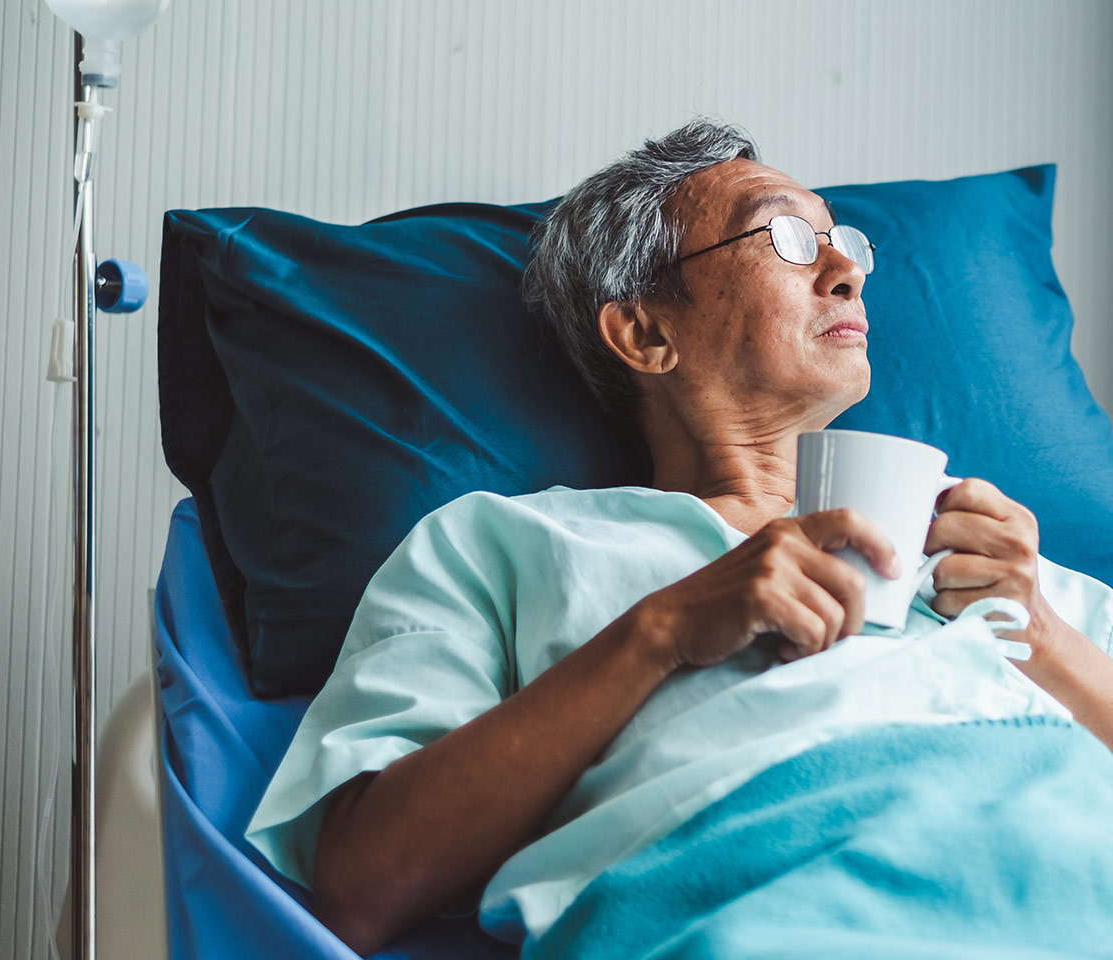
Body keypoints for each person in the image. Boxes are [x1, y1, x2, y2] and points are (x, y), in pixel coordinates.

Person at [245, 119, 1113, 958]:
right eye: (786, 238)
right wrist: (659, 633)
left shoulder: (997, 561)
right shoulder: (504, 546)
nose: (847, 267)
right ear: (646, 333)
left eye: (842, 241)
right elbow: (361, 888)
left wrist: (1038, 630)